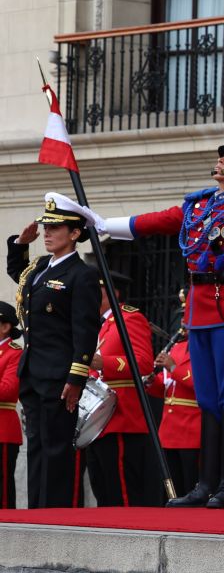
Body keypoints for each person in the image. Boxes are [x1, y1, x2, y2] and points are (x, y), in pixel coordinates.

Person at [97, 130, 224, 508]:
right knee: (208, 400)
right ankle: (204, 484)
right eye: (223, 156)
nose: (221, 160)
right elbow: (154, 221)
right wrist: (101, 223)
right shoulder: (200, 206)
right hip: (199, 311)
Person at [6, 193, 102, 508]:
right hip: (33, 373)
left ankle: (53, 515)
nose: (47, 233)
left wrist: (75, 378)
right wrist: (20, 244)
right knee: (36, 446)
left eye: (55, 227)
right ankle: (36, 512)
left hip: (60, 375)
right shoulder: (41, 266)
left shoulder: (82, 274)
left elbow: (86, 330)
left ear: (75, 233)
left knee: (56, 449)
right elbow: (20, 280)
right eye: (46, 226)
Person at [85, 278, 154, 506]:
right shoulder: (98, 324)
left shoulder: (129, 318)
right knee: (101, 487)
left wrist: (104, 362)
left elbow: (143, 363)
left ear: (112, 292)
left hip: (122, 416)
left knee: (122, 492)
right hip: (96, 419)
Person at [144, 320, 201, 498]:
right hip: (169, 430)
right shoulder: (176, 348)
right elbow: (167, 384)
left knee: (190, 483)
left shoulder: (206, 350)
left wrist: (173, 367)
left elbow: (198, 384)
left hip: (191, 428)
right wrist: (152, 382)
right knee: (171, 487)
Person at [0, 301, 23, 509]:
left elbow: (7, 389)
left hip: (3, 430)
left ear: (5, 327)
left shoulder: (13, 353)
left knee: (2, 494)